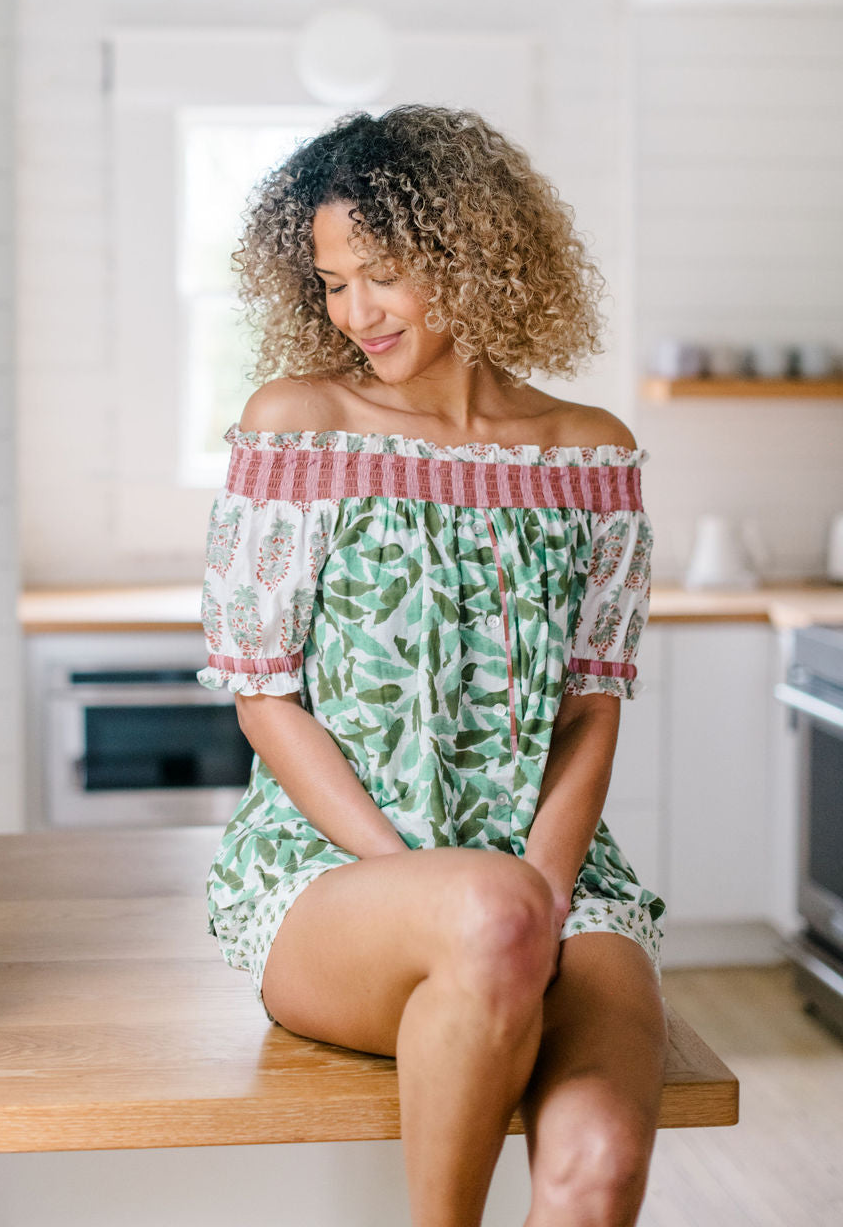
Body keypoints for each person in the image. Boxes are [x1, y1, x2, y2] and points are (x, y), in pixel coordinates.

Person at [196, 104, 667, 1227]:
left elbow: (590, 710)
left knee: (599, 1161)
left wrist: (539, 895)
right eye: (331, 283)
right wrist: (441, 890)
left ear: (469, 256)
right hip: (336, 877)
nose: (355, 313)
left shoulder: (589, 453)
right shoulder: (301, 427)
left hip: (554, 877)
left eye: (384, 275)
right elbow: (266, 701)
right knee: (485, 911)